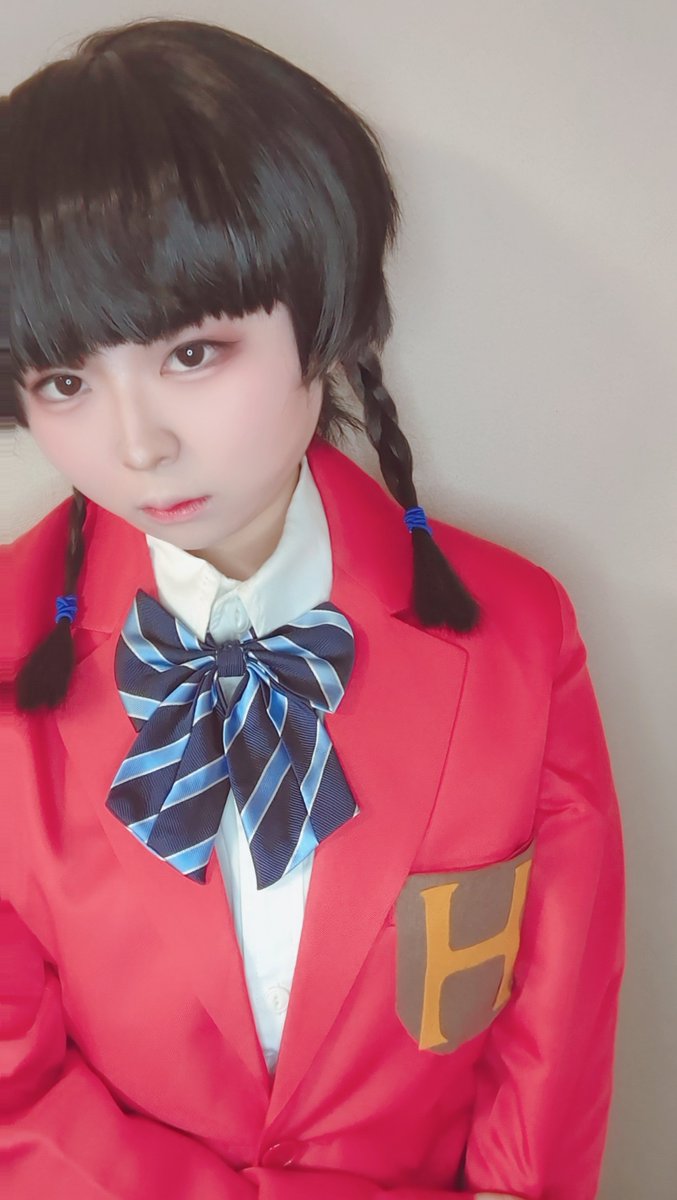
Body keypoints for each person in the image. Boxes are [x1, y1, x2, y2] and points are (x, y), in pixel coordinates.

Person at [1, 16, 625, 1200]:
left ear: (321, 313)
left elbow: (550, 1038)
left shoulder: (515, 636)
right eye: (66, 380)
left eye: (193, 353)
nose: (137, 444)